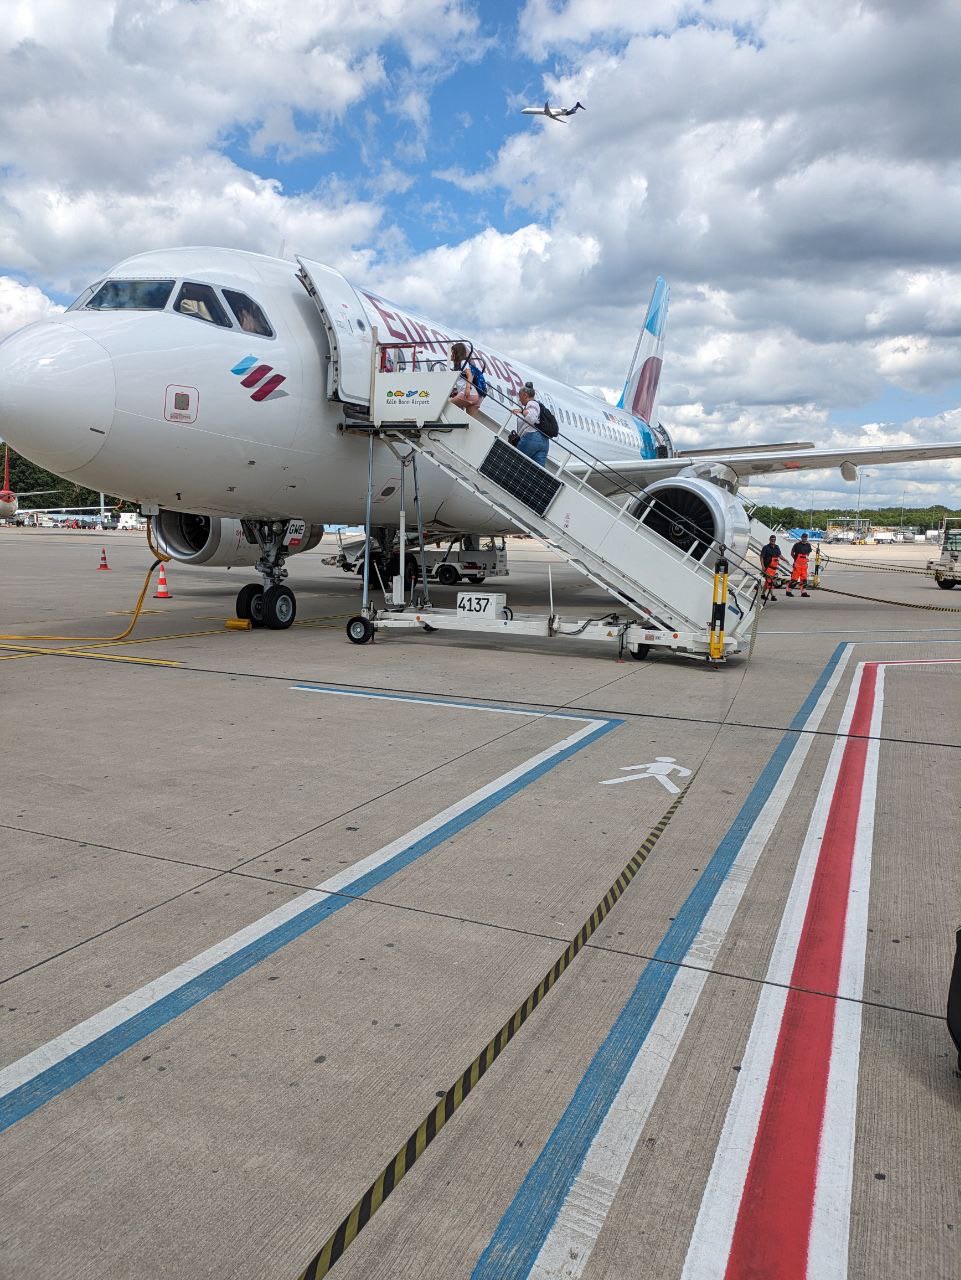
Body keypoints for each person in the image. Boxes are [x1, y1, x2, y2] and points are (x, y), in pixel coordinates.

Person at [510, 382, 549, 467]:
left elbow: (532, 417)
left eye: (520, 397)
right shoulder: (539, 405)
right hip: (544, 441)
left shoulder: (532, 404)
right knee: (537, 473)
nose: (519, 400)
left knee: (514, 463)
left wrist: (522, 411)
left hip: (532, 437)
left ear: (525, 395)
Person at [449, 342, 480, 415]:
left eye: (452, 353)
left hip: (468, 394)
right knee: (470, 423)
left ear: (456, 353)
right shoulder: (457, 366)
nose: (451, 355)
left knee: (446, 405)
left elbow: (470, 375)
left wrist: (467, 388)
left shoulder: (462, 362)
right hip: (475, 396)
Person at [786, 531, 813, 597]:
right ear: (801, 538)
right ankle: (788, 591)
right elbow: (792, 553)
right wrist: (795, 560)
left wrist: (805, 559)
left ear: (807, 538)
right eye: (803, 537)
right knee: (794, 579)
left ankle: (803, 592)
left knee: (804, 580)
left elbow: (808, 554)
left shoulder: (808, 545)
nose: (805, 538)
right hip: (797, 565)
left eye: (806, 537)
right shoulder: (796, 545)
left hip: (804, 566)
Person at [760, 534, 782, 602]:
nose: (773, 541)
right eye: (772, 539)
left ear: (775, 540)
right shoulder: (765, 547)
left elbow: (780, 555)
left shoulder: (777, 547)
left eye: (774, 540)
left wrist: (785, 560)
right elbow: (761, 557)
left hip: (774, 569)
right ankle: (772, 596)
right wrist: (763, 566)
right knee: (770, 582)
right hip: (768, 568)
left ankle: (762, 594)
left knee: (767, 582)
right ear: (769, 540)